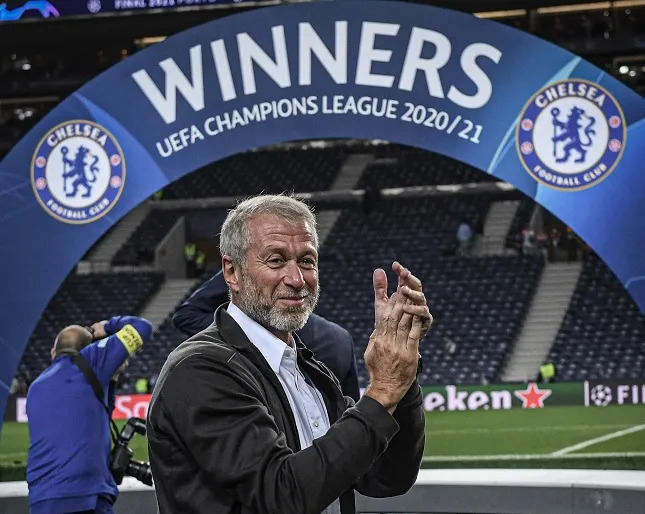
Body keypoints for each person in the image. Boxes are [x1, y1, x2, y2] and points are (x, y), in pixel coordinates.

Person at [148, 194, 431, 514]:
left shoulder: (308, 370)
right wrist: (383, 390)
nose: (297, 280)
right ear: (232, 272)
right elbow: (282, 498)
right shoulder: (199, 370)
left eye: (307, 261)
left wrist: (403, 366)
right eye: (276, 260)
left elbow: (387, 477)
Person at [26, 315, 153, 514]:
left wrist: (111, 381)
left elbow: (97, 414)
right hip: (85, 496)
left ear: (53, 353)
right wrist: (105, 327)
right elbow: (142, 326)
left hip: (41, 500)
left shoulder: (35, 387)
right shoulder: (91, 359)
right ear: (88, 348)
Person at [173, 269, 361, 401]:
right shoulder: (340, 338)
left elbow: (185, 316)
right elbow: (352, 420)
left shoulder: (247, 273)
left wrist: (242, 328)